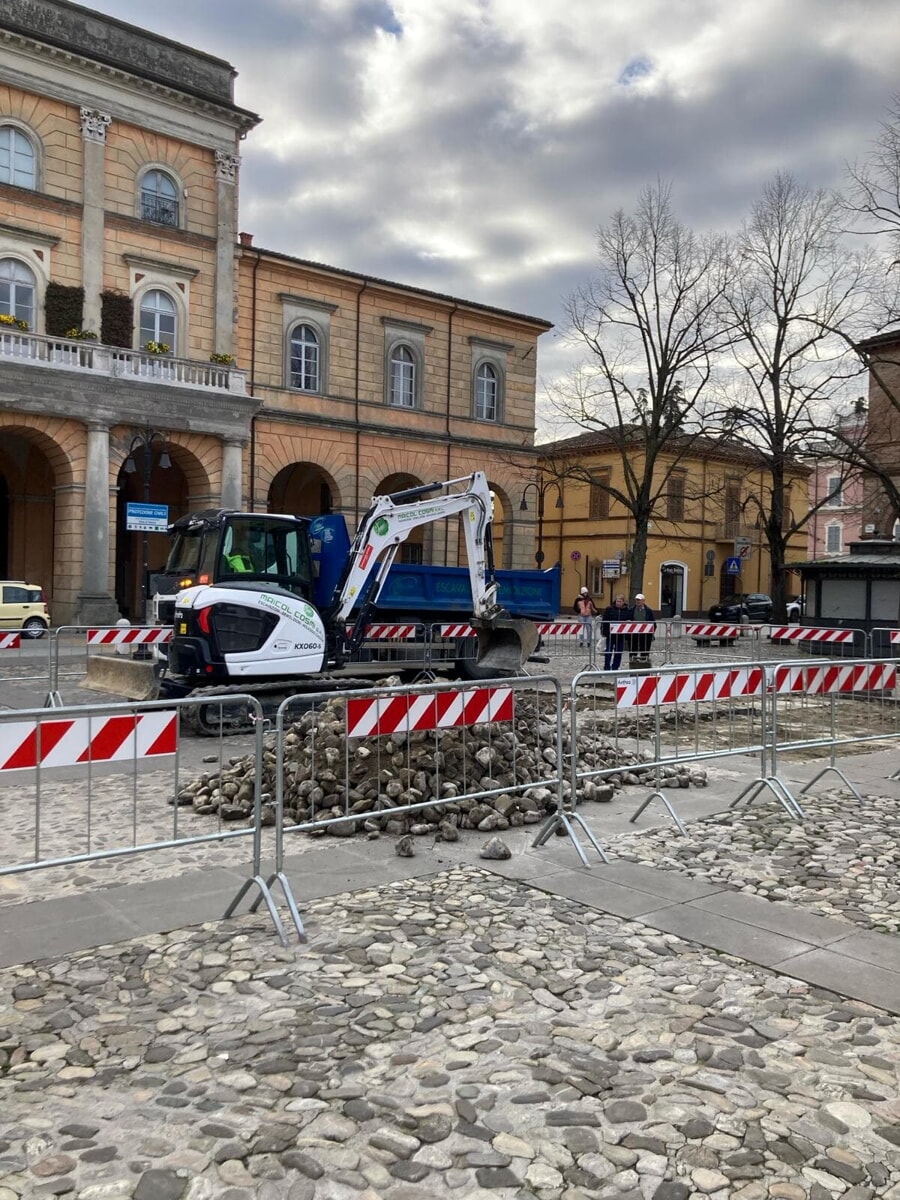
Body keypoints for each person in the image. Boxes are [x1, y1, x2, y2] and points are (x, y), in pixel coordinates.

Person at [601, 593, 629, 670]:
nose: (618, 603)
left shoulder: (627, 610)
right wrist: (603, 631)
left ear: (623, 602)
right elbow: (604, 620)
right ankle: (607, 667)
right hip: (610, 635)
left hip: (621, 635)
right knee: (608, 652)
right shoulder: (609, 609)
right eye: (617, 601)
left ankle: (615, 667)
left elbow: (629, 622)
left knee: (618, 652)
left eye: (620, 601)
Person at [628, 592, 657, 667]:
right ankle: (633, 662)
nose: (638, 601)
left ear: (643, 601)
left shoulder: (648, 611)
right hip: (634, 634)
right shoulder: (631, 610)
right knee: (633, 648)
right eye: (637, 600)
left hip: (645, 635)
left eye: (639, 600)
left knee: (644, 648)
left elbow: (653, 623)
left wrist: (651, 632)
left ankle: (644, 662)